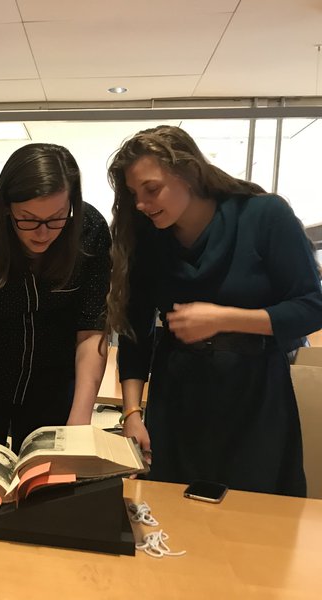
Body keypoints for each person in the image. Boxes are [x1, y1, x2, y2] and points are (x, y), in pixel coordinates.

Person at [106, 125, 322, 496]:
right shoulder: (148, 237)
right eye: (133, 194)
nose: (141, 204)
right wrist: (132, 414)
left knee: (255, 524)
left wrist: (223, 318)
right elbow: (135, 332)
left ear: (188, 171)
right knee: (172, 517)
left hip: (254, 400)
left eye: (151, 189)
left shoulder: (263, 215)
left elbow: (311, 307)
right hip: (177, 402)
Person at [0, 143, 111, 453]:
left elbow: (91, 328)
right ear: (6, 206)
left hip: (54, 382)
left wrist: (79, 422)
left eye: (57, 218)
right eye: (28, 218)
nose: (43, 232)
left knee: (48, 484)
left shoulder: (90, 230)